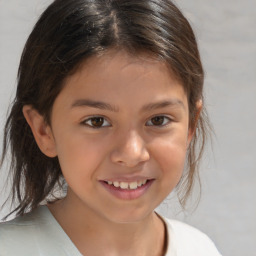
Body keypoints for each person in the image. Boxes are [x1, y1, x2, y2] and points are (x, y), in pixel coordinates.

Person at [0, 0, 222, 255]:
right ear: (43, 130)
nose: (131, 154)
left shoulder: (199, 248)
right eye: (97, 121)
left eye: (158, 120)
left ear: (190, 126)